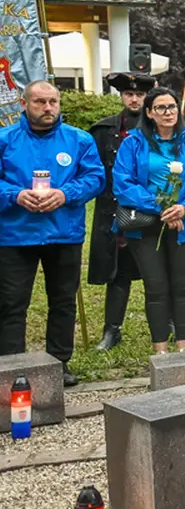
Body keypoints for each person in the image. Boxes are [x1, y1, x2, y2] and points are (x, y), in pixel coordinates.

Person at [0, 81, 104, 386]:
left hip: (63, 233)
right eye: (40, 102)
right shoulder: (5, 139)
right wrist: (15, 195)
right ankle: (12, 368)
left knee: (62, 301)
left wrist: (65, 193)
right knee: (11, 304)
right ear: (23, 104)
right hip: (15, 235)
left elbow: (95, 178)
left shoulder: (79, 140)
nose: (48, 108)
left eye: (53, 102)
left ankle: (59, 363)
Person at [113, 87, 185, 354]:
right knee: (156, 287)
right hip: (146, 226)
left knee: (182, 286)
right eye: (160, 108)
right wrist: (162, 209)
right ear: (149, 113)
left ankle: (184, 348)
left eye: (172, 106)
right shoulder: (133, 144)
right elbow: (123, 183)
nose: (168, 112)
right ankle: (160, 350)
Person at [89, 71, 155, 351]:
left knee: (156, 272)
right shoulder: (103, 130)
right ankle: (112, 329)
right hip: (113, 213)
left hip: (150, 211)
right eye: (129, 94)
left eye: (140, 94)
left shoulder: (158, 129)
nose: (134, 99)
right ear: (121, 96)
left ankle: (165, 326)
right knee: (118, 273)